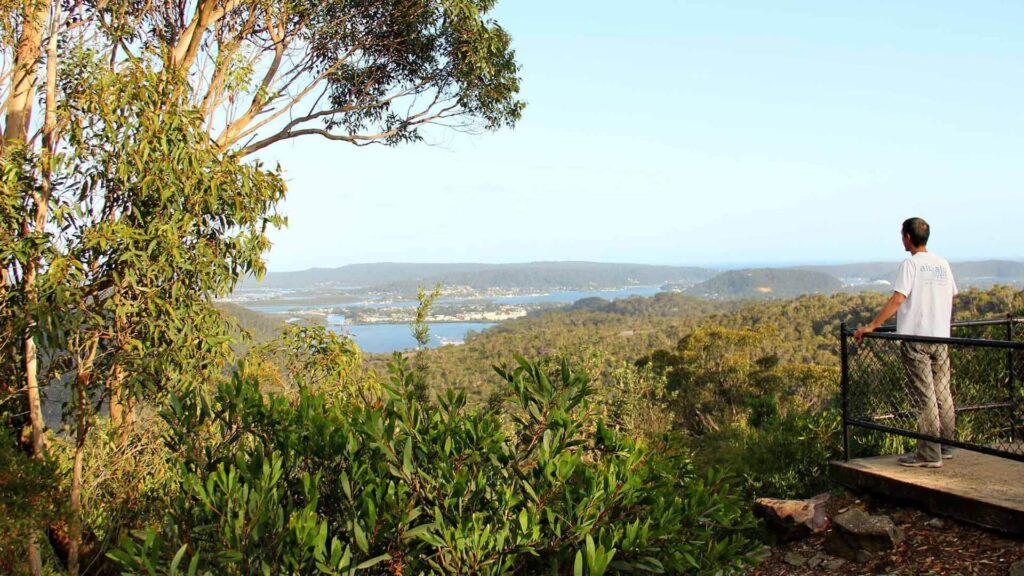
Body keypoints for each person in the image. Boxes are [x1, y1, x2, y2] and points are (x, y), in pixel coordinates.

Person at [855, 217, 958, 468]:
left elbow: (898, 299)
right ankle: (945, 446)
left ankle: (928, 454)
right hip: (940, 337)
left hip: (916, 338)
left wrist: (872, 326)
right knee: (943, 393)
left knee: (924, 397)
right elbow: (950, 294)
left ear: (908, 238)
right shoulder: (942, 264)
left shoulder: (911, 264)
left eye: (902, 235)